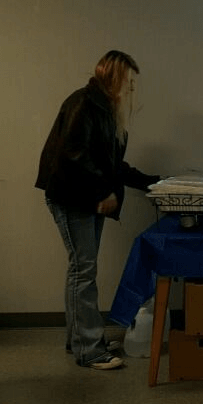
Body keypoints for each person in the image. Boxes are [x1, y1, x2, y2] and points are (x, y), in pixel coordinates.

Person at [36, 50, 160, 370]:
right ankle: (89, 350)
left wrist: (154, 182)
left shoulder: (104, 109)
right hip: (72, 198)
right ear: (113, 76)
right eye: (128, 80)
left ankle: (79, 339)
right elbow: (72, 156)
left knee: (80, 269)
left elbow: (113, 165)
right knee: (84, 271)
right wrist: (103, 192)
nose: (131, 88)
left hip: (83, 197)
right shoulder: (84, 103)